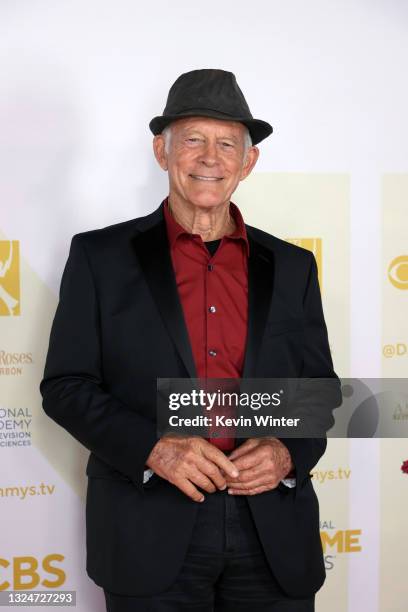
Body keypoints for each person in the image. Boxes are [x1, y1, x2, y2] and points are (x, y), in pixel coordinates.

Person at [40, 69, 340, 611]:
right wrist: (155, 448)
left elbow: (318, 390)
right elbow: (66, 385)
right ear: (162, 150)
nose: (210, 157)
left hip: (271, 530)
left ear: (247, 163)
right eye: (194, 140)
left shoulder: (293, 267)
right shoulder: (99, 258)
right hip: (147, 523)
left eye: (227, 143)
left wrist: (287, 453)